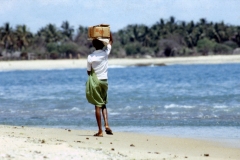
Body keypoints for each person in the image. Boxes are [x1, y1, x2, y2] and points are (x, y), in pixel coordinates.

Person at [86, 33, 113, 137]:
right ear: (102, 44)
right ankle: (107, 125)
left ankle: (100, 131)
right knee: (103, 103)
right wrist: (108, 33)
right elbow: (111, 42)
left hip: (96, 82)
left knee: (97, 105)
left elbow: (88, 72)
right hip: (104, 82)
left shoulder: (90, 57)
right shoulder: (106, 53)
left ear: (94, 46)